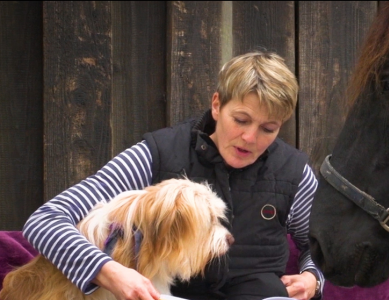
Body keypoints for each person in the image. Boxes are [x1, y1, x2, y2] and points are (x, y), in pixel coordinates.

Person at [23, 50, 324, 300]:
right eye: (241, 120)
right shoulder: (157, 153)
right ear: (217, 105)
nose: (249, 137)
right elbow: (45, 221)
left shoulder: (294, 172)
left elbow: (318, 244)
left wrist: (313, 277)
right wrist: (109, 271)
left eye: (268, 128)